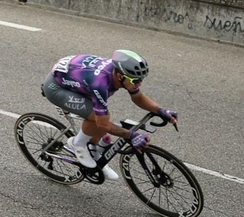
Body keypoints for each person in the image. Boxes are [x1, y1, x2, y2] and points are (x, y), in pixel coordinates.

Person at [42, 51, 177, 167]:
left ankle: (92, 149)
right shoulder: (100, 84)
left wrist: (160, 110)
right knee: (97, 117)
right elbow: (102, 123)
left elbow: (138, 97)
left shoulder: (121, 72)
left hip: (77, 77)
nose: (139, 83)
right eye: (135, 80)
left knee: (103, 118)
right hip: (56, 88)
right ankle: (77, 144)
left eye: (141, 79)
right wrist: (130, 135)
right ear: (120, 76)